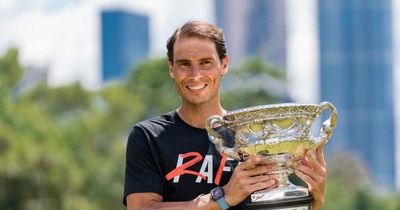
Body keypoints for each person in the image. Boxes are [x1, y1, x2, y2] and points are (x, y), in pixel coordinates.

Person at [123, 20, 327, 210]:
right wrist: (222, 197)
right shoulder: (149, 136)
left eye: (205, 62)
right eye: (184, 63)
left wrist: (313, 199)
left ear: (224, 64)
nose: (195, 74)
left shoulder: (254, 137)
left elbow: (279, 204)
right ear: (171, 69)